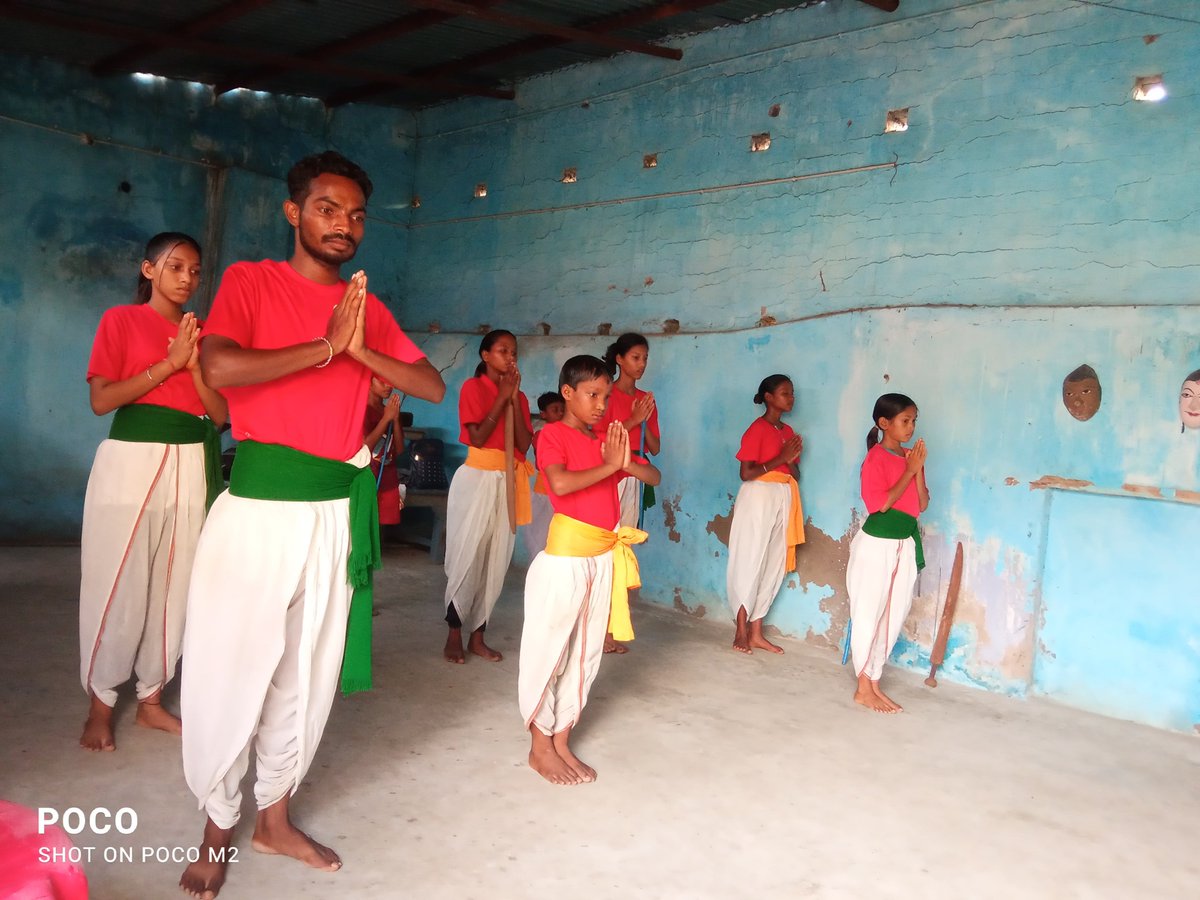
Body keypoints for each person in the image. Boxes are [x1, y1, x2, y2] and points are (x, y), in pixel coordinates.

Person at [177, 151, 445, 899]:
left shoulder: (370, 307)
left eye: (357, 214)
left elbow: (431, 382)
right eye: (328, 208)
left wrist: (363, 346)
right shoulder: (253, 282)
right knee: (232, 670)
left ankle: (273, 817)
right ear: (294, 212)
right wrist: (328, 347)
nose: (345, 225)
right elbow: (224, 369)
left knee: (305, 674)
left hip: (332, 512)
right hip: (259, 509)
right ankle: (214, 825)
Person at [78, 232, 227, 752]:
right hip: (131, 461)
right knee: (118, 579)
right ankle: (100, 703)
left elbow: (221, 415)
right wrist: (167, 365)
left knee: (175, 583)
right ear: (148, 269)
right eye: (176, 266)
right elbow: (102, 401)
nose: (187, 277)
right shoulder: (121, 320)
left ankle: (150, 701)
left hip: (191, 463)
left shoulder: (205, 336)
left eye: (195, 270)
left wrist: (192, 366)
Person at [518, 355, 660, 785]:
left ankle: (562, 737)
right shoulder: (552, 436)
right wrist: (610, 465)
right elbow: (559, 484)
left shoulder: (606, 440)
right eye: (592, 395)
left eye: (604, 396)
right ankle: (538, 746)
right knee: (550, 650)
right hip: (565, 560)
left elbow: (651, 475)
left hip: (603, 558)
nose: (601, 404)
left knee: (585, 653)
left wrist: (623, 461)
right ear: (568, 393)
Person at [442, 330, 534, 663]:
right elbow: (478, 438)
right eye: (503, 350)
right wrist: (500, 398)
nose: (511, 357)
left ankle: (478, 636)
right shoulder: (473, 388)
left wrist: (514, 399)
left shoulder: (519, 398)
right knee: (468, 555)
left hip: (507, 480)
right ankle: (453, 633)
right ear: (485, 355)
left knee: (496, 560)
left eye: (514, 351)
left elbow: (523, 445)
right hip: (476, 479)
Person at [846, 392, 929, 714]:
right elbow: (878, 505)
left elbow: (921, 504)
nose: (911, 427)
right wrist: (910, 471)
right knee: (869, 613)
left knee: (893, 614)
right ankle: (862, 688)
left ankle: (874, 681)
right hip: (877, 545)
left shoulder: (912, 457)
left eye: (913, 421)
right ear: (884, 423)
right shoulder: (875, 459)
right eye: (905, 421)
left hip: (903, 544)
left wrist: (918, 470)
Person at [725, 375, 804, 655]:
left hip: (784, 495)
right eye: (785, 393)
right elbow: (746, 473)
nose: (790, 398)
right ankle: (740, 629)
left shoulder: (788, 429)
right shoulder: (757, 429)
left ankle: (757, 632)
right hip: (758, 495)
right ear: (769, 397)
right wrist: (781, 458)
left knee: (773, 561)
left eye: (792, 393)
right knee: (750, 559)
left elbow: (794, 472)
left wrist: (792, 459)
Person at [597, 333, 661, 653]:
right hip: (610, 478)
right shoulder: (605, 396)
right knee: (604, 550)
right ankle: (599, 628)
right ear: (619, 360)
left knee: (621, 550)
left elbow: (654, 447)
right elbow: (602, 442)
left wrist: (646, 420)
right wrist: (633, 418)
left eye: (645, 358)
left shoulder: (647, 398)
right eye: (635, 358)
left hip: (634, 478)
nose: (641, 364)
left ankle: (612, 624)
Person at [522, 391, 565, 559]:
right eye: (555, 410)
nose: (561, 413)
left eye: (563, 409)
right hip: (545, 493)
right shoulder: (541, 435)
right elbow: (544, 464)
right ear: (543, 414)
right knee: (541, 540)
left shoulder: (569, 433)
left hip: (563, 494)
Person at [364, 376, 404, 534]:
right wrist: (386, 418)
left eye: (391, 381)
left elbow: (399, 449)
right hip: (367, 473)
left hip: (387, 474)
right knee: (362, 520)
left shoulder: (390, 410)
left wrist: (394, 420)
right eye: (382, 381)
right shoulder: (362, 409)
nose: (389, 386)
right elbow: (366, 446)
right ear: (369, 381)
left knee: (378, 526)